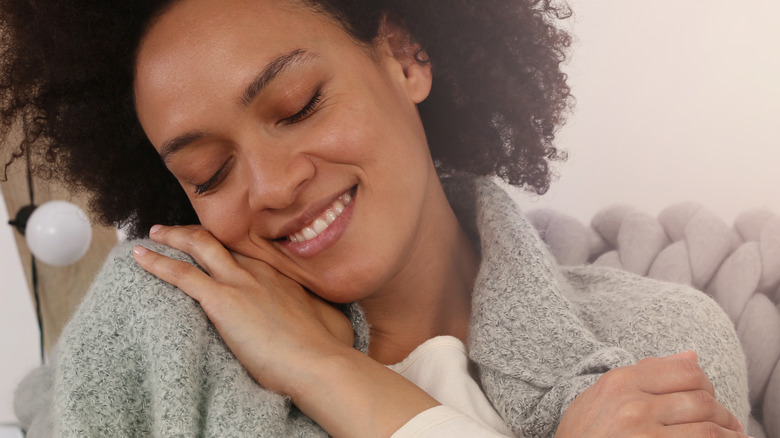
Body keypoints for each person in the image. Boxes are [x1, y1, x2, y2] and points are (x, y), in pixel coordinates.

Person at [1, 0, 751, 436]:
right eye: (210, 173)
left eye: (298, 107)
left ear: (404, 56)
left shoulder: (655, 342)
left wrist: (328, 372)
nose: (272, 187)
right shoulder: (163, 320)